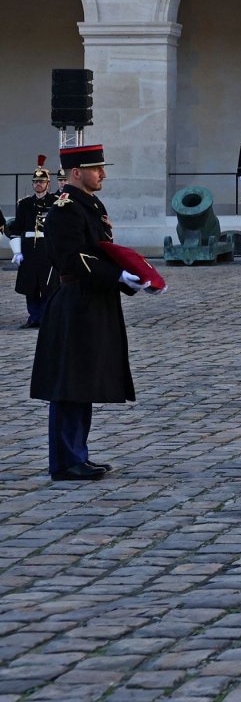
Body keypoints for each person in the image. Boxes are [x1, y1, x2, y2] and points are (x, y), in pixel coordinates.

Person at [31, 141, 141, 481]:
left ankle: (79, 452)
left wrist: (129, 278)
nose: (103, 174)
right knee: (70, 384)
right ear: (77, 173)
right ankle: (65, 461)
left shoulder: (90, 204)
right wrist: (117, 275)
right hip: (75, 303)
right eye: (97, 169)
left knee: (84, 383)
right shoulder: (65, 209)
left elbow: (104, 251)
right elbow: (74, 259)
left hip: (95, 302)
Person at [10, 157, 56, 328]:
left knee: (47, 284)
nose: (38, 184)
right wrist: (17, 251)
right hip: (29, 249)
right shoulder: (25, 204)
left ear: (48, 184)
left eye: (41, 181)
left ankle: (45, 316)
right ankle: (34, 316)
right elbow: (16, 229)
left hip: (47, 249)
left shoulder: (54, 203)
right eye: (35, 181)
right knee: (31, 285)